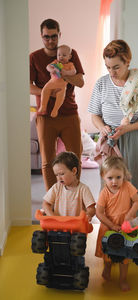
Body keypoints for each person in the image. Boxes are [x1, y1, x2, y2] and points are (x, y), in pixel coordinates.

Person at [88, 39, 138, 222]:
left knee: (135, 181)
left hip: (133, 137)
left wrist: (127, 128)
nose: (112, 72)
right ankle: (110, 226)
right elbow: (94, 115)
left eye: (116, 67)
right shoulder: (102, 83)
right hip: (109, 139)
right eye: (108, 67)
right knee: (110, 183)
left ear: (128, 61)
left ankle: (137, 228)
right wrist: (102, 127)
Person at [30, 19, 84, 191]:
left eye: (54, 36)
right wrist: (47, 91)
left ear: (59, 35)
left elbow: (80, 81)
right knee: (47, 162)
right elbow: (28, 85)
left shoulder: (70, 53)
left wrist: (63, 76)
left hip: (69, 114)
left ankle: (74, 197)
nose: (51, 41)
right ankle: (52, 200)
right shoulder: (34, 57)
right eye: (47, 37)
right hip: (45, 117)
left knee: (75, 158)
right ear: (41, 36)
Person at [95, 156, 138, 291]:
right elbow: (99, 213)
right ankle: (107, 269)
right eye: (110, 178)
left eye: (118, 177)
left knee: (125, 254)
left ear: (124, 176)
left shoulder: (128, 187)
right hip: (108, 226)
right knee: (108, 253)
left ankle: (123, 279)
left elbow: (137, 201)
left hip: (124, 225)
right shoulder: (104, 193)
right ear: (103, 176)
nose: (114, 181)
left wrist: (130, 213)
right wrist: (111, 225)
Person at [42, 151, 96, 221]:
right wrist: (53, 217)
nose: (59, 178)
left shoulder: (83, 189)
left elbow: (91, 209)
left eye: (61, 174)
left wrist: (88, 215)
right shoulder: (56, 187)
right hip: (59, 225)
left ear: (74, 171)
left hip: (76, 226)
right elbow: (46, 204)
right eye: (56, 175)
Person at [38, 44, 76, 118]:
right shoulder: (56, 63)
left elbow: (74, 71)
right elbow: (48, 66)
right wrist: (52, 70)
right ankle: (43, 106)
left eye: (64, 55)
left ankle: (55, 110)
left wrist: (66, 72)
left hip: (62, 86)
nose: (61, 57)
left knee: (60, 97)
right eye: (59, 55)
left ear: (69, 57)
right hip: (52, 83)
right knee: (45, 90)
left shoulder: (70, 64)